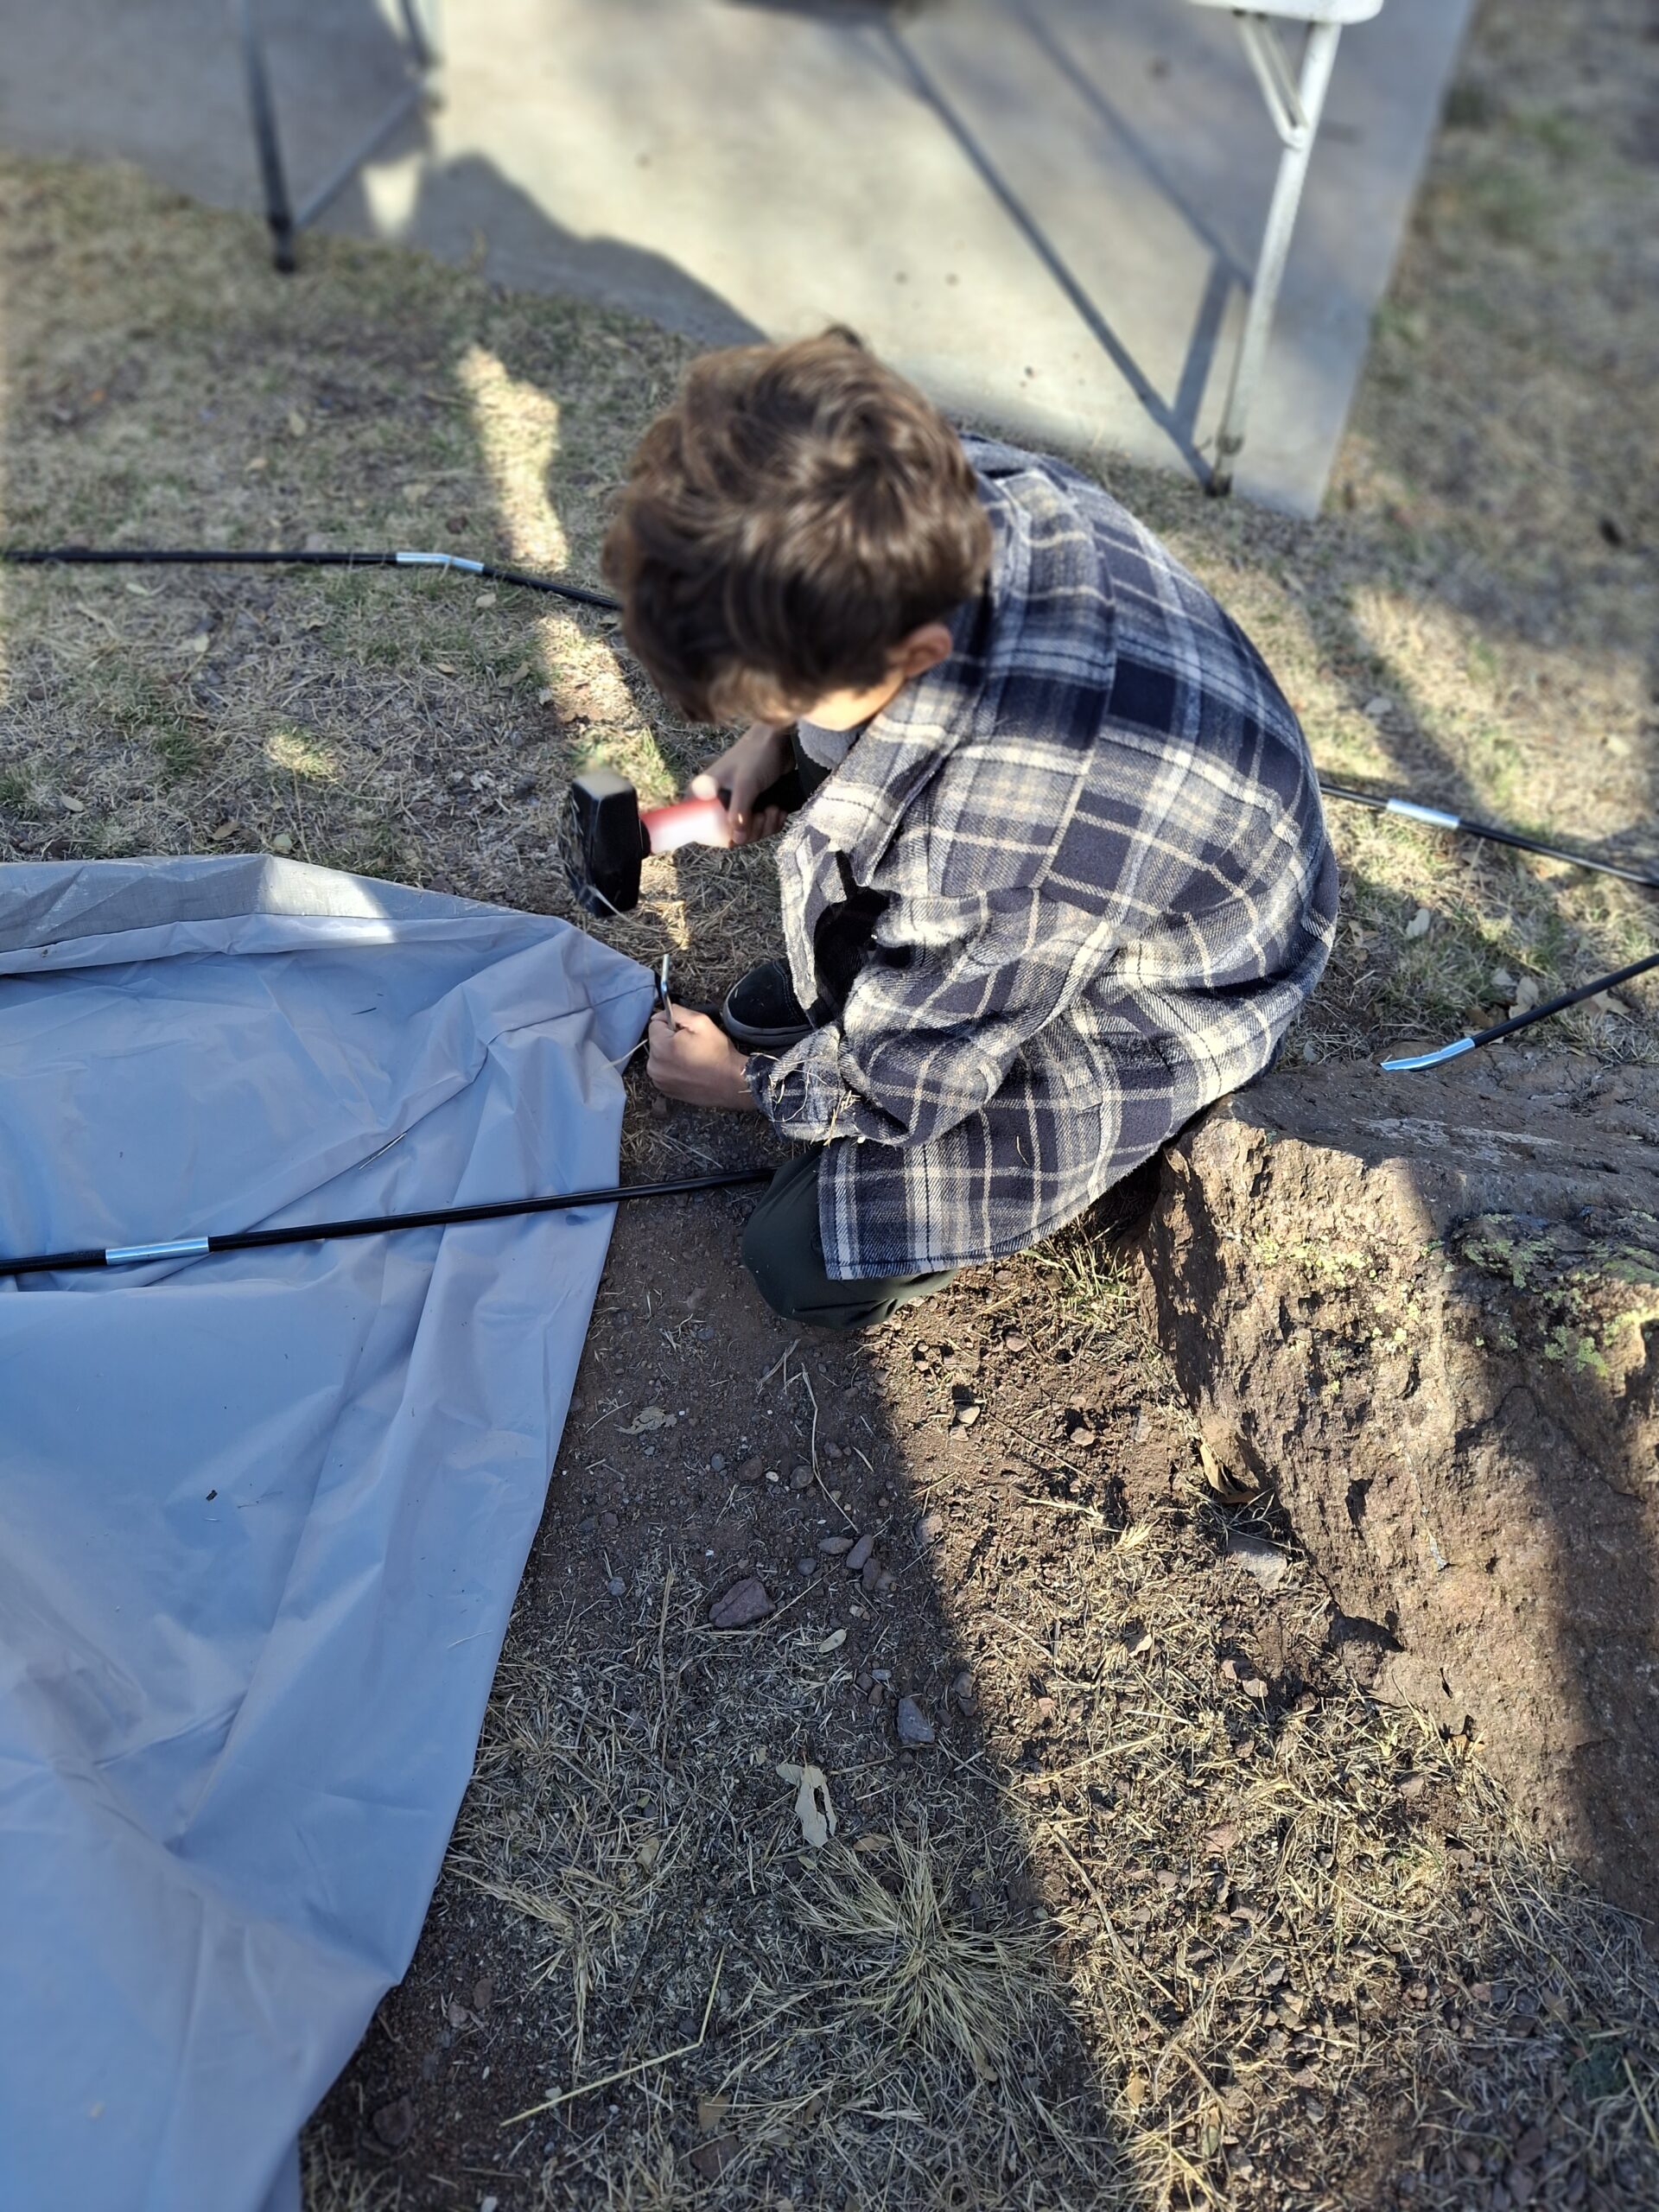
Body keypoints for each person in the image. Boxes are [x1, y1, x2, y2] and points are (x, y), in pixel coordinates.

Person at [601, 327, 1338, 1330]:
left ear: (915, 649)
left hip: (1176, 976)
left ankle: (844, 1035)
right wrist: (774, 736)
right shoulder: (926, 481)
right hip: (1133, 837)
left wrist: (748, 1087)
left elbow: (913, 1084)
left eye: (783, 689)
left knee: (790, 1255)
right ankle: (854, 997)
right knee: (831, 977)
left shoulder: (1003, 840)